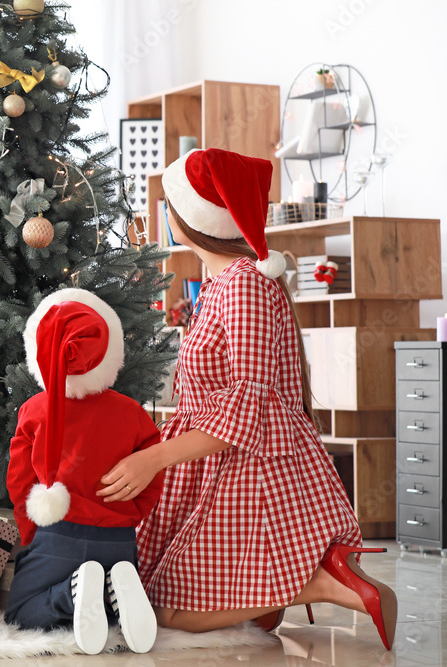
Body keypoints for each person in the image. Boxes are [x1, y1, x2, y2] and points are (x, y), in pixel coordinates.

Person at [96, 148, 397, 651]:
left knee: (167, 608)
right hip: (218, 457)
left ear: (193, 219)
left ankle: (326, 583)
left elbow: (248, 402)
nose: (165, 215)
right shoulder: (221, 285)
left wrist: (154, 458)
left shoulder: (243, 288)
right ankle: (268, 597)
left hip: (245, 466)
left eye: (169, 205)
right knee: (153, 588)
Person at [4, 288, 163, 655]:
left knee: (21, 615)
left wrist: (30, 533)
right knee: (99, 616)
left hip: (58, 537)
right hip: (118, 540)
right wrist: (132, 515)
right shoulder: (132, 413)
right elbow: (152, 476)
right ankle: (114, 592)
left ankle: (70, 592)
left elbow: (19, 480)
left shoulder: (34, 410)